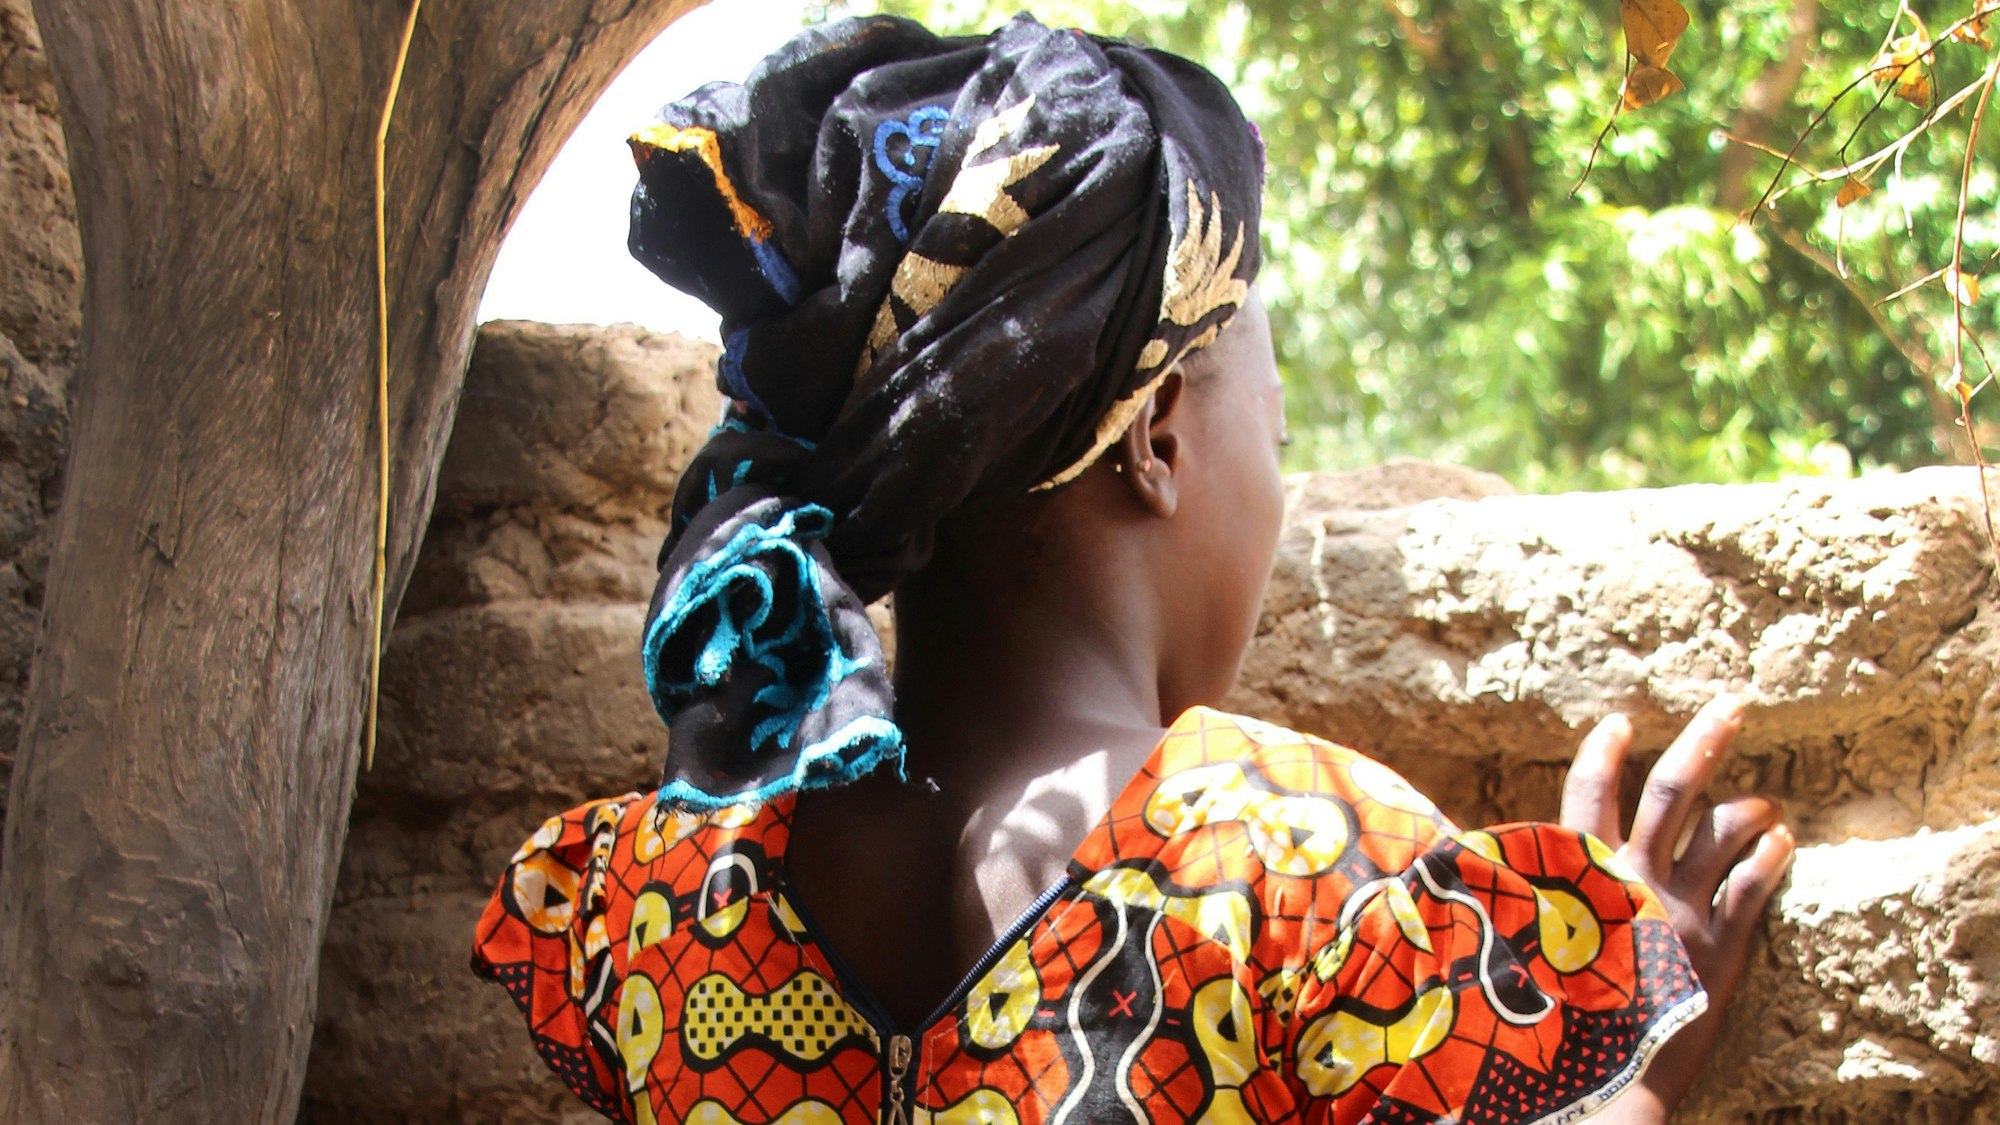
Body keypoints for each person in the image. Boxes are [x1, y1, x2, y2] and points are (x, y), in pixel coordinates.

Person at [471, 13, 1795, 1124]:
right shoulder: (1293, 861)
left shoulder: (664, 897)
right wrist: (1641, 1061)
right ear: (1158, 436)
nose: (1276, 490)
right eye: (1272, 434)